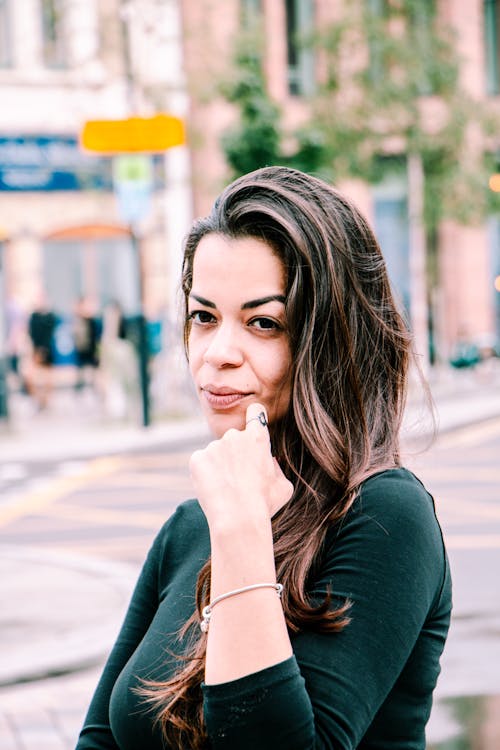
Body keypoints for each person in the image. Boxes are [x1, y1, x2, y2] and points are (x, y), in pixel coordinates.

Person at [76, 167, 452, 750]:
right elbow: (100, 739)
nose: (217, 354)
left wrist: (243, 536)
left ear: (330, 340)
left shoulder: (385, 515)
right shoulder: (189, 526)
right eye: (204, 317)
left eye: (263, 323)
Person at [26, 292, 57, 410]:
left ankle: (45, 401)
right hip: (36, 350)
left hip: (48, 351)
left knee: (48, 378)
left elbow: (51, 333)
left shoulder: (50, 316)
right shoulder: (34, 316)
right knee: (32, 377)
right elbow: (31, 333)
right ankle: (39, 399)